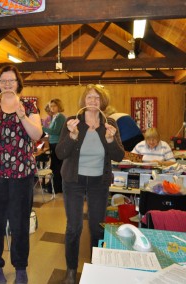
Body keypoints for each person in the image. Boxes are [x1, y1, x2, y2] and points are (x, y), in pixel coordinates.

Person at [0, 65, 43, 284]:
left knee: (19, 223)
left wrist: (23, 116)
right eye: (3, 80)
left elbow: (36, 134)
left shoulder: (29, 106)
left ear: (18, 83)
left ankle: (20, 267)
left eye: (11, 80)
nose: (7, 84)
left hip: (22, 173)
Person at [55, 84, 124, 284]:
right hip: (73, 181)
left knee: (97, 228)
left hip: (98, 182)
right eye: (89, 97)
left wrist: (110, 140)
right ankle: (70, 270)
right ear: (83, 101)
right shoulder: (72, 121)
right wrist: (72, 136)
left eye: (96, 98)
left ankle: (96, 267)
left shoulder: (109, 123)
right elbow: (60, 153)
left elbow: (119, 156)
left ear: (102, 101)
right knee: (74, 227)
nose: (93, 101)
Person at [42, 99, 66, 193]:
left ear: (59, 106)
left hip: (57, 144)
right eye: (51, 106)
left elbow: (55, 131)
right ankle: (53, 187)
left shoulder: (60, 117)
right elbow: (51, 131)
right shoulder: (54, 117)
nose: (52, 108)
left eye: (54, 106)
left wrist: (42, 127)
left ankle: (56, 188)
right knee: (54, 166)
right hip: (53, 143)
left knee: (56, 167)